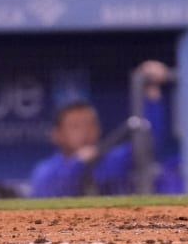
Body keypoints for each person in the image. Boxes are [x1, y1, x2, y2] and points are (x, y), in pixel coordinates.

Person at [28, 61, 178, 197]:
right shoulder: (45, 171)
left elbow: (148, 144)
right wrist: (78, 164)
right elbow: (57, 192)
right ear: (57, 135)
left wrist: (151, 93)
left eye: (90, 124)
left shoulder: (112, 160)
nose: (85, 131)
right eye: (75, 126)